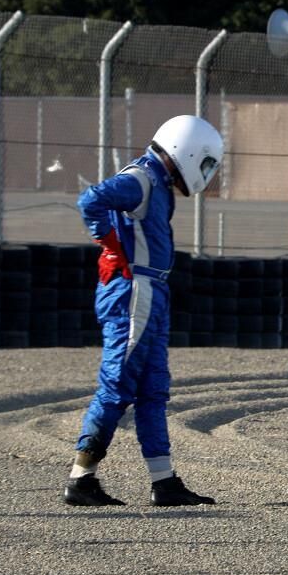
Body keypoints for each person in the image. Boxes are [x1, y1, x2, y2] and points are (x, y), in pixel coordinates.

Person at [62, 115, 224, 507]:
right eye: (205, 164)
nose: (205, 174)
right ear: (186, 149)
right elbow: (91, 200)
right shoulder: (142, 178)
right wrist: (112, 245)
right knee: (118, 383)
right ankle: (81, 479)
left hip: (151, 290)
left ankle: (163, 481)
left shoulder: (157, 182)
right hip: (134, 290)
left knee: (153, 389)